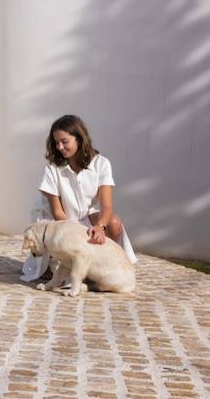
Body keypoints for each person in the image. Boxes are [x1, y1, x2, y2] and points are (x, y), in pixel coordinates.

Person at [20, 114, 137, 284]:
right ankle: (62, 265)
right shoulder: (52, 169)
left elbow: (107, 205)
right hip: (55, 222)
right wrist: (78, 236)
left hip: (83, 215)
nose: (59, 147)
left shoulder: (101, 164)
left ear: (79, 139)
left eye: (65, 141)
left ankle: (103, 266)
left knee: (114, 223)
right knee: (47, 274)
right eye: (56, 142)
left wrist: (99, 226)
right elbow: (58, 212)